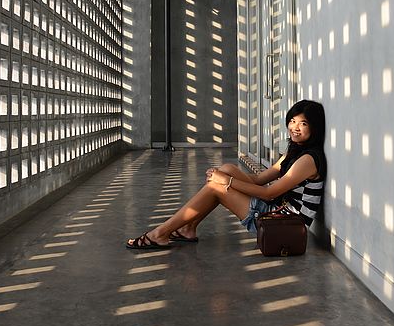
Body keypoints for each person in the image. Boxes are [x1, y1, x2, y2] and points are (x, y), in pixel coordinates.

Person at [126, 99, 326, 249]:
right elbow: (258, 180)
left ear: (314, 128)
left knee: (217, 186)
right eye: (292, 121)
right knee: (228, 168)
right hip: (277, 212)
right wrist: (224, 175)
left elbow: (269, 194)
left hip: (282, 226)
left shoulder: (308, 160)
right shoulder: (294, 152)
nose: (295, 128)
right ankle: (188, 228)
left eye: (303, 124)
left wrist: (225, 182)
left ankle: (161, 233)